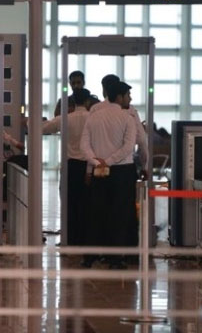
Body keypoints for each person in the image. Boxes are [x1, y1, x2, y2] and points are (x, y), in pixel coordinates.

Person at [80, 81, 137, 269]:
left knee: (95, 213)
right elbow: (129, 146)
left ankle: (89, 257)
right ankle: (115, 259)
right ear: (119, 97)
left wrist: (97, 162)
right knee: (120, 215)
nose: (130, 98)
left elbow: (84, 146)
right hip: (122, 171)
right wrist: (110, 161)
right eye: (128, 95)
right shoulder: (127, 117)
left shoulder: (93, 117)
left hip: (99, 171)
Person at [42, 88, 90, 245]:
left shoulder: (65, 118)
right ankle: (83, 238)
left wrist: (29, 121)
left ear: (73, 101)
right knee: (85, 204)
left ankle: (69, 238)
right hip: (88, 166)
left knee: (68, 203)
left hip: (70, 166)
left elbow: (43, 129)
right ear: (88, 101)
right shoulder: (93, 118)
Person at [90, 74, 148, 179]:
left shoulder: (95, 109)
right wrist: (144, 166)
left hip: (100, 165)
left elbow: (89, 142)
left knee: (101, 195)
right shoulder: (130, 110)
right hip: (124, 166)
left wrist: (89, 171)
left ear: (104, 89)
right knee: (125, 195)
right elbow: (142, 140)